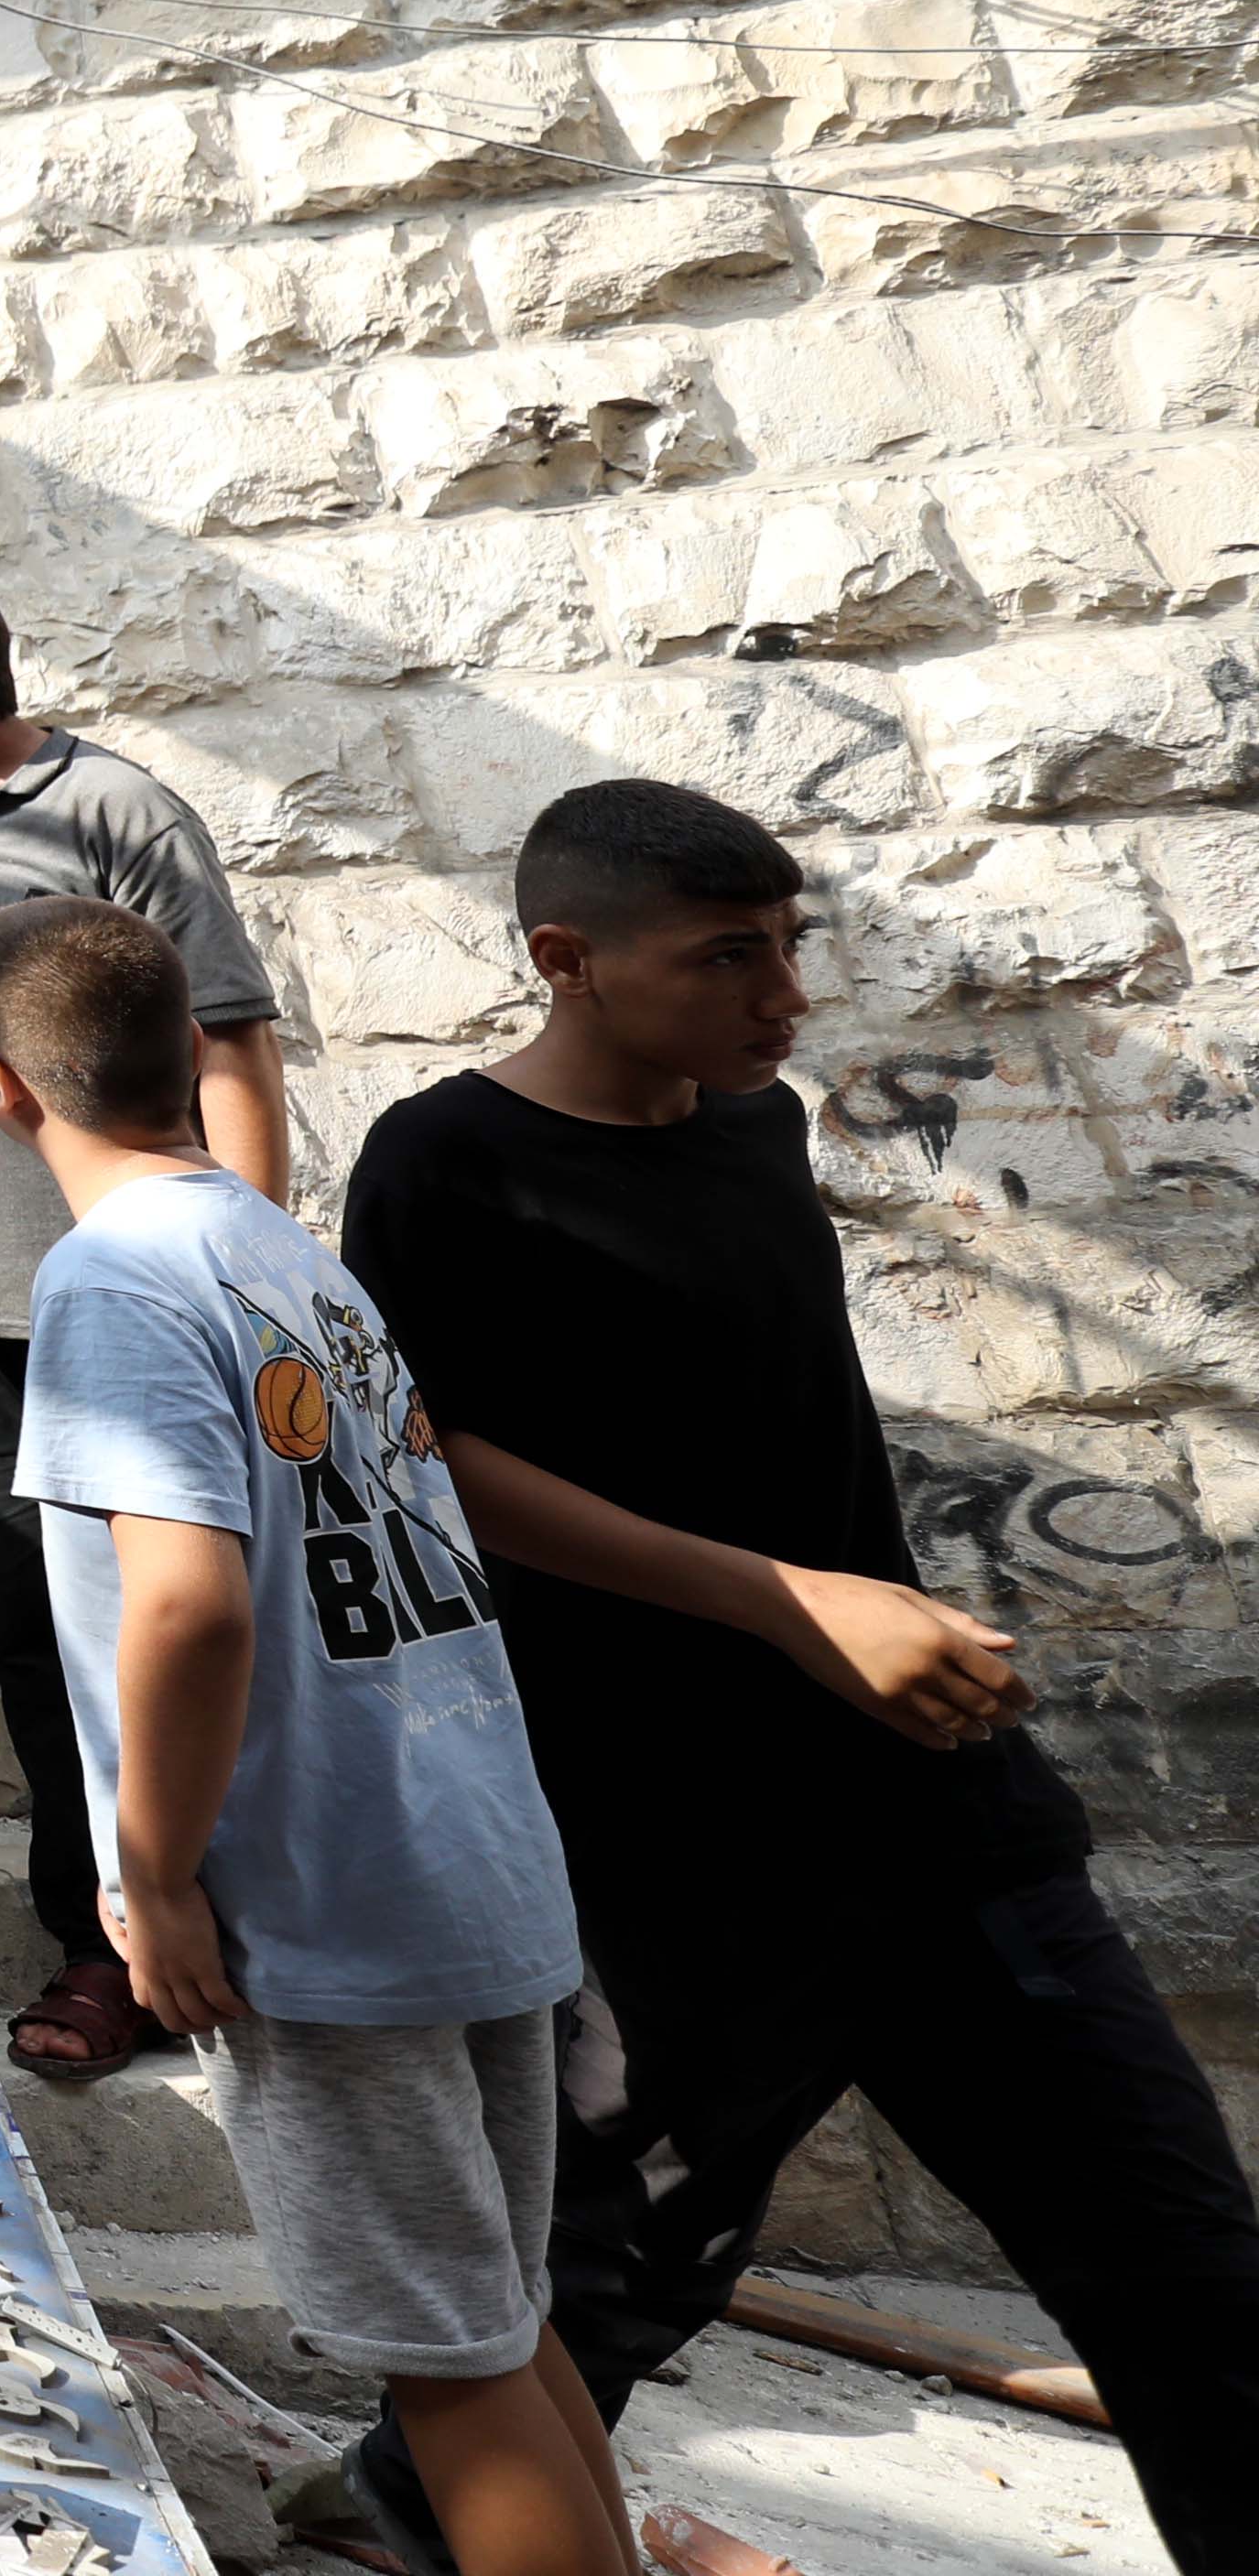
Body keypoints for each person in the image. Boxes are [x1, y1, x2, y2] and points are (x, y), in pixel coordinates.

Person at [342, 782, 1259, 2575]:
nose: (785, 991)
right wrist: (780, 1600)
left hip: (937, 1809)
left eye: (792, 941)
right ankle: (418, 2502)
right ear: (568, 958)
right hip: (681, 1858)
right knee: (608, 2295)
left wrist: (848, 1611)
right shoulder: (447, 1160)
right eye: (730, 953)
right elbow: (427, 1457)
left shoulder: (751, 1123)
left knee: (1190, 2274)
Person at [0, 896, 626, 2576]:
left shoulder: (111, 1279)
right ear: (197, 1056)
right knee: (495, 2324)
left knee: (452, 2369)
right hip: (469, 1855)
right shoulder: (286, 1252)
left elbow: (188, 1606)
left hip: (333, 1899)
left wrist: (156, 1879)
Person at [0, 552, 290, 2084]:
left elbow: (231, 1043)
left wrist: (246, 1269)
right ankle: (101, 1938)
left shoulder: (114, 814)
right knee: (31, 1649)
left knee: (168, 1636)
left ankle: (209, 1928)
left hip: (128, 1303)